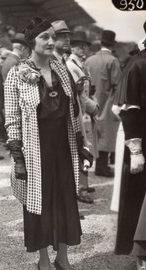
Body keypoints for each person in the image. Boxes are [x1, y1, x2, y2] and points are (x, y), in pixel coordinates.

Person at [4, 17, 92, 270]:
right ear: (32, 42)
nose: (51, 41)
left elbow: (72, 111)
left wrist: (80, 144)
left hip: (62, 147)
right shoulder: (16, 74)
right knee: (38, 205)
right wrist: (18, 158)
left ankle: (63, 259)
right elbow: (12, 119)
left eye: (52, 36)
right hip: (35, 150)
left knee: (66, 200)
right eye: (45, 37)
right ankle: (43, 261)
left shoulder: (61, 69)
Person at [114, 16, 146, 270]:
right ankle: (143, 254)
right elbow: (129, 111)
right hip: (145, 138)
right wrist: (136, 149)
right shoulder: (138, 62)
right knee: (140, 195)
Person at [66, 31, 99, 203]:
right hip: (81, 112)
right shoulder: (71, 66)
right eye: (80, 45)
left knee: (86, 149)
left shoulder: (79, 64)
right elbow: (78, 95)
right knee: (83, 150)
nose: (84, 48)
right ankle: (81, 188)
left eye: (85, 45)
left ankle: (83, 184)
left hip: (85, 112)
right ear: (72, 47)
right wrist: (94, 107)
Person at [84, 30, 121, 177]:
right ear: (112, 44)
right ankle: (102, 167)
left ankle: (89, 167)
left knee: (92, 134)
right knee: (106, 135)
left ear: (101, 42)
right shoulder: (113, 61)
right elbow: (118, 85)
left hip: (89, 101)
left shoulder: (88, 60)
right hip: (106, 103)